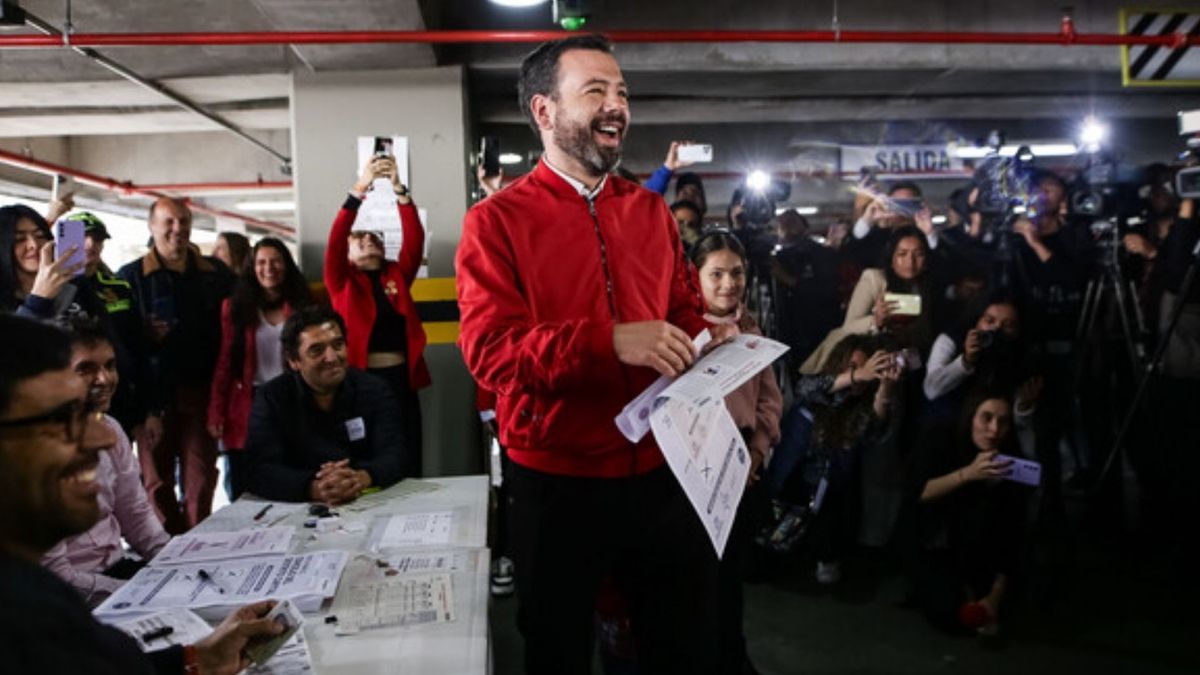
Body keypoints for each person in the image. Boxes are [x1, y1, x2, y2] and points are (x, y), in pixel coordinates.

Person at [456, 34, 733, 674]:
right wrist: (607, 342)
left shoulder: (650, 212)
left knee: (677, 642)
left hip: (660, 470)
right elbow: (491, 352)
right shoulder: (495, 222)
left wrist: (709, 339)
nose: (617, 106)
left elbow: (683, 309)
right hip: (558, 483)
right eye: (596, 92)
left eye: (622, 93)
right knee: (558, 648)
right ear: (544, 111)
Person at [0, 313, 284, 673]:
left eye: (110, 366)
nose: (102, 438)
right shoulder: (26, 620)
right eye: (63, 419)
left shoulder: (36, 595)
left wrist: (198, 657)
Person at [691, 230, 782, 675]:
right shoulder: (683, 332)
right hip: (696, 475)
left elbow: (769, 399)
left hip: (744, 469)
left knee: (730, 581)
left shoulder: (751, 330)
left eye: (737, 273)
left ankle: (732, 657)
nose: (729, 283)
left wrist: (757, 454)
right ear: (696, 277)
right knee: (696, 583)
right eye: (717, 274)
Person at [117, 196, 235, 534]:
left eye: (183, 221)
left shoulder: (216, 274)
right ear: (152, 227)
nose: (177, 229)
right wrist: (144, 333)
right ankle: (165, 546)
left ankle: (197, 541)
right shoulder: (131, 277)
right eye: (168, 222)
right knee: (157, 480)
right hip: (153, 399)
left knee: (201, 477)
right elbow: (117, 339)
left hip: (202, 394)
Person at [41, 318, 169, 607]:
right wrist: (138, 594)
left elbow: (135, 515)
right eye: (86, 370)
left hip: (116, 572)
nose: (105, 380)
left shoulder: (110, 427)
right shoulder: (33, 453)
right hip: (63, 598)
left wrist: (175, 563)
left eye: (110, 366)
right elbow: (55, 575)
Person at [324, 154, 429, 478]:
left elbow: (414, 239)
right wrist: (360, 187)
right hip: (360, 382)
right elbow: (337, 236)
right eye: (360, 239)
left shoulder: (396, 275)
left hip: (401, 381)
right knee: (367, 452)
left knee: (407, 448)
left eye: (375, 238)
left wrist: (398, 188)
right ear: (349, 253)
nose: (369, 240)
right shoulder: (341, 280)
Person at [243, 306, 410, 504]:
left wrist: (361, 478)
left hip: (366, 501)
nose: (331, 357)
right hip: (299, 508)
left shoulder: (374, 389)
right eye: (317, 350)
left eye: (338, 345)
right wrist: (315, 488)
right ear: (294, 361)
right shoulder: (272, 398)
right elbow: (258, 469)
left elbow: (396, 455)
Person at [904, 391, 1032, 637]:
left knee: (1011, 602)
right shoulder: (940, 439)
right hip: (935, 540)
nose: (994, 429)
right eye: (986, 418)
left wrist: (994, 597)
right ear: (971, 417)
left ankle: (983, 593)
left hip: (983, 545)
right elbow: (917, 493)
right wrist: (968, 474)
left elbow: (1014, 532)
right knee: (948, 614)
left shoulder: (1009, 458)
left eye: (1003, 421)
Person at [208, 238, 313, 499]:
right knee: (244, 480)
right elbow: (224, 362)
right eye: (261, 262)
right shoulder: (235, 307)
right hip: (248, 401)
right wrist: (216, 412)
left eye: (275, 261)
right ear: (252, 267)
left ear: (286, 265)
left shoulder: (303, 305)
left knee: (289, 470)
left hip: (292, 397)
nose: (269, 268)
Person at [801, 225, 935, 374]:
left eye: (918, 254)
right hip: (850, 360)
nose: (910, 262)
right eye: (902, 254)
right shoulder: (874, 279)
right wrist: (876, 321)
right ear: (891, 258)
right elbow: (849, 326)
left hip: (899, 363)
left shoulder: (928, 287)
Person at [0, 204, 84, 317]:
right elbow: (15, 335)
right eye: (19, 239)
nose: (34, 245)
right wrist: (39, 298)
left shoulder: (76, 285)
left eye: (40, 236)